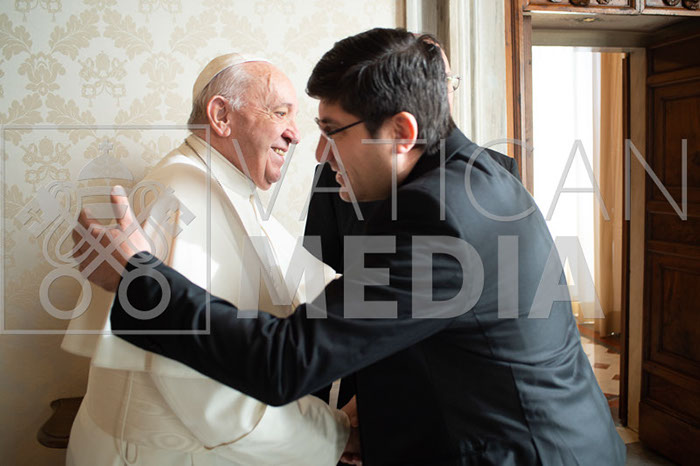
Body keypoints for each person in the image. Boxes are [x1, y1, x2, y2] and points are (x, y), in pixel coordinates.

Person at [74, 29, 626, 465]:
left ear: (401, 133)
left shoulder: (439, 217)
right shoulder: (470, 177)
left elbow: (285, 359)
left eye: (332, 130)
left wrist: (140, 282)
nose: (316, 152)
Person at [64, 53, 351, 466]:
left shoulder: (228, 186)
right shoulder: (182, 192)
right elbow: (205, 389)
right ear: (221, 116)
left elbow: (314, 288)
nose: (296, 134)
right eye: (280, 113)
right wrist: (336, 434)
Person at [304, 37, 522, 408]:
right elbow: (318, 274)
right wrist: (325, 413)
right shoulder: (337, 174)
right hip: (360, 363)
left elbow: (499, 309)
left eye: (444, 81)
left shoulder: (480, 181)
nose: (322, 153)